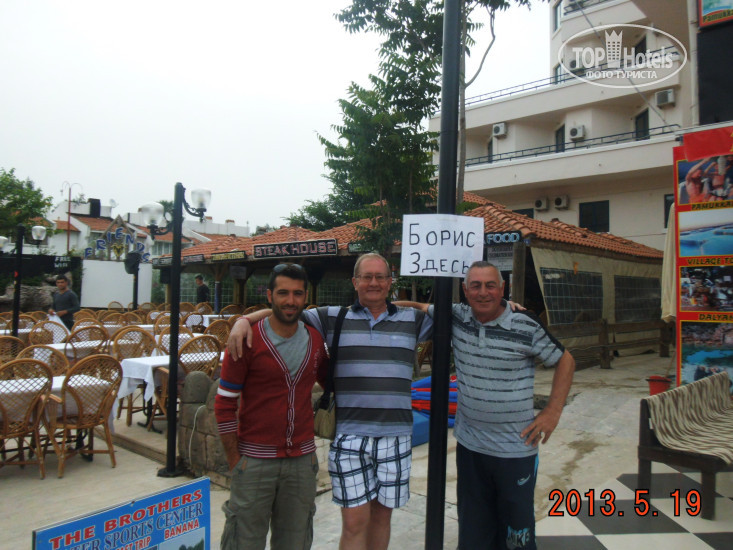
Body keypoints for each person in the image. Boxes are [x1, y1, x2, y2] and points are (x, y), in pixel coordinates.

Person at [227, 253, 433, 550]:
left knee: (382, 518)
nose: (373, 283)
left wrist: (418, 305)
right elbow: (287, 310)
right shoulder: (333, 317)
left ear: (390, 282)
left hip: (396, 435)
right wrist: (243, 320)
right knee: (354, 523)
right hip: (349, 436)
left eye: (380, 277)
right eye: (366, 277)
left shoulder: (411, 320)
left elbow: (450, 315)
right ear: (354, 282)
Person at [395, 261, 575, 550]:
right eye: (475, 286)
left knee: (516, 534)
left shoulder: (525, 323)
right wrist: (372, 303)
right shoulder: (457, 316)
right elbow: (415, 306)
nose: (483, 292)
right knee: (474, 530)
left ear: (502, 289)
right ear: (465, 290)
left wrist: (553, 411)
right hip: (471, 448)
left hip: (515, 449)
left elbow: (565, 360)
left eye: (490, 285)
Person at [215, 263, 328, 550]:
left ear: (305, 297)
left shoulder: (316, 340)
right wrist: (235, 461)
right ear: (269, 295)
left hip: (302, 461)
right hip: (255, 461)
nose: (291, 300)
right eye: (283, 293)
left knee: (295, 541)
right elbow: (224, 403)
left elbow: (330, 381)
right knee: (243, 541)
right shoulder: (246, 340)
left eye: (297, 293)